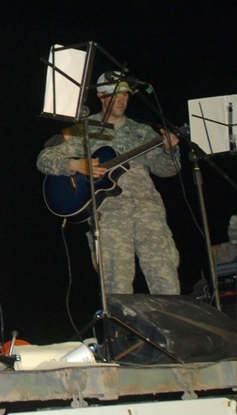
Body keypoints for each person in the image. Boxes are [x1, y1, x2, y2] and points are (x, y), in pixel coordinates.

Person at [36, 71, 182, 294]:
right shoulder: (83, 129)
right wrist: (75, 165)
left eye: (125, 95)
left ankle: (169, 317)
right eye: (116, 95)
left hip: (148, 211)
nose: (122, 100)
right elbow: (44, 158)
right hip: (109, 214)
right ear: (101, 96)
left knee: (166, 278)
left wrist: (169, 151)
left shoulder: (142, 131)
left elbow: (166, 170)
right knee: (116, 286)